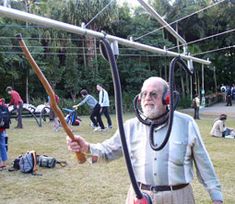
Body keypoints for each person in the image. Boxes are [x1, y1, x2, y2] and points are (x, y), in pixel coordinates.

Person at [67, 77, 223, 204]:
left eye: (154, 94)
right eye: (144, 94)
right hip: (139, 196)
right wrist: (86, 147)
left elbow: (204, 164)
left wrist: (216, 197)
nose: (147, 98)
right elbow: (108, 151)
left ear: (167, 98)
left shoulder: (186, 123)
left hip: (178, 197)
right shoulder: (130, 127)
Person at [0, 98, 8, 169]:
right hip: (2, 128)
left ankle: (0, 162)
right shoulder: (3, 105)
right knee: (2, 145)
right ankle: (4, 162)